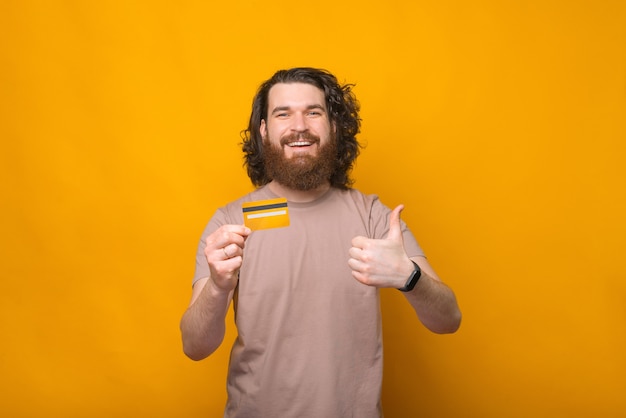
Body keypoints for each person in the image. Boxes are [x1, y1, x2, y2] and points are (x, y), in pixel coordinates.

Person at [180, 67, 461, 417]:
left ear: (333, 127)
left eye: (313, 112)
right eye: (283, 114)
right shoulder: (230, 223)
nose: (299, 126)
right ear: (264, 130)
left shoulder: (373, 217)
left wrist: (410, 278)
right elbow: (194, 346)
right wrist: (218, 287)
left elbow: (449, 318)